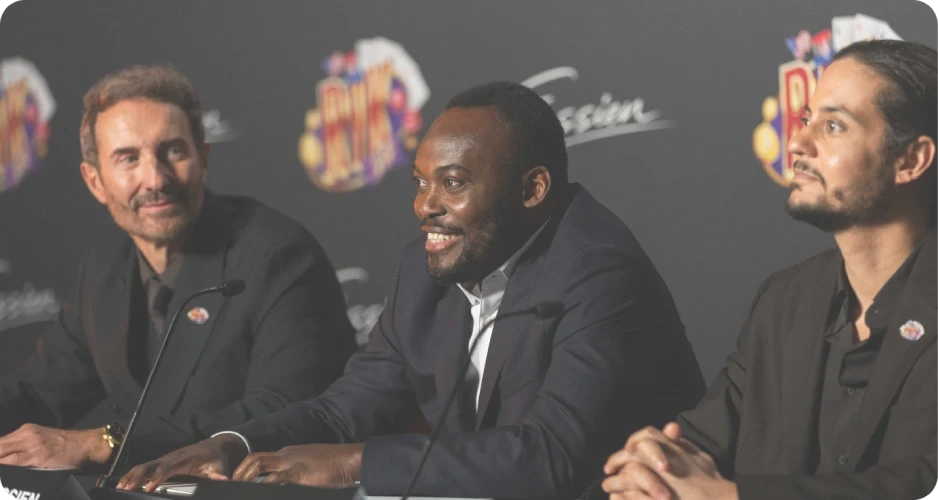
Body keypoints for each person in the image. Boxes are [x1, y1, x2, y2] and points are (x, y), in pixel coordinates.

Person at [118, 81, 707, 498]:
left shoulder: (598, 272)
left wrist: (353, 464)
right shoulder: (427, 269)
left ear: (532, 190)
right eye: (422, 182)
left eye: (452, 184)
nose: (426, 207)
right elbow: (345, 409)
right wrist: (234, 443)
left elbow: (550, 457)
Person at [602, 40, 938, 500]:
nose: (796, 142)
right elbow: (704, 439)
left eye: (833, 126)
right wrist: (657, 464)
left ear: (910, 160)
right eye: (807, 120)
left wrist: (732, 498)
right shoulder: (786, 300)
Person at [0, 65, 357, 472]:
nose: (155, 179)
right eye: (128, 158)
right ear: (95, 181)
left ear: (203, 159)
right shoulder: (104, 260)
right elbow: (41, 390)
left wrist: (108, 442)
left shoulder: (279, 255)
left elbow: (287, 410)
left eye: (173, 152)